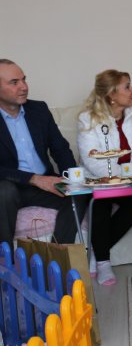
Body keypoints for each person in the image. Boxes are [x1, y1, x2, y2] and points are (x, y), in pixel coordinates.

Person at [77, 69, 132, 285]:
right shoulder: (87, 119)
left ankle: (96, 253)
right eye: (127, 87)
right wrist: (120, 178)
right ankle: (104, 263)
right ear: (111, 94)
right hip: (101, 181)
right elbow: (92, 159)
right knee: (100, 204)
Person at [0, 59, 88, 245]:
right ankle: (4, 258)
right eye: (14, 82)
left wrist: (73, 179)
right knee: (4, 192)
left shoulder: (38, 109)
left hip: (43, 184)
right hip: (10, 185)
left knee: (79, 195)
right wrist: (33, 179)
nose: (24, 87)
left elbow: (60, 148)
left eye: (24, 79)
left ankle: (60, 255)